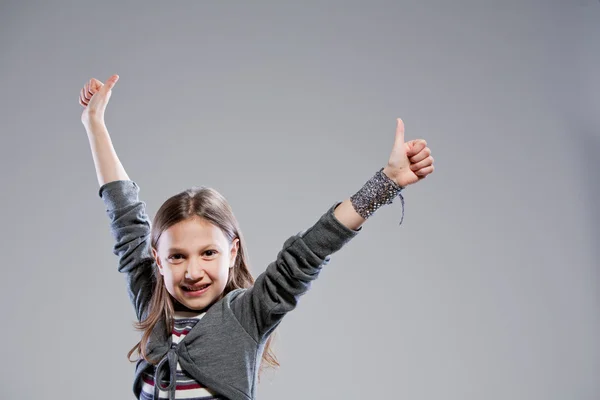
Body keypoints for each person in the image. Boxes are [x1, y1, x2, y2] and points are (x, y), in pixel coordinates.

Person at [79, 74, 435, 400]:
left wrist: (385, 183)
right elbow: (124, 213)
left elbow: (310, 250)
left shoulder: (246, 314)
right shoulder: (151, 303)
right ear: (157, 259)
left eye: (207, 253)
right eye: (177, 257)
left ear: (232, 252)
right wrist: (94, 124)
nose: (192, 271)